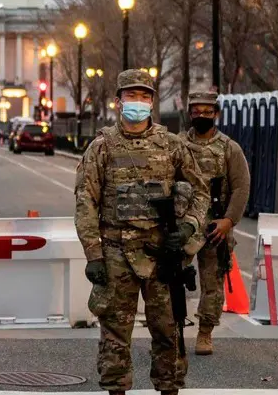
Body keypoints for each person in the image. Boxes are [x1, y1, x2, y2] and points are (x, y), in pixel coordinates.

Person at [75, 69, 211, 395]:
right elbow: (86, 202)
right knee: (114, 333)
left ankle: (169, 389)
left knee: (168, 330)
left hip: (161, 251)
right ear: (119, 101)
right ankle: (116, 391)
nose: (138, 102)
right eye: (131, 96)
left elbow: (201, 192)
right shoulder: (102, 147)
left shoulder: (173, 145)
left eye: (144, 96)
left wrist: (190, 228)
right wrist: (93, 254)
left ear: (152, 102)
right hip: (115, 251)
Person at [179, 91, 250, 356]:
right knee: (170, 279)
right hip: (184, 225)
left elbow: (241, 187)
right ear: (189, 113)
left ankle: (205, 333)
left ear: (216, 114)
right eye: (196, 111)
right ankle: (173, 330)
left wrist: (228, 221)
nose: (201, 116)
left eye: (207, 112)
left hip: (215, 227)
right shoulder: (177, 145)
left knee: (213, 282)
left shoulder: (229, 148)